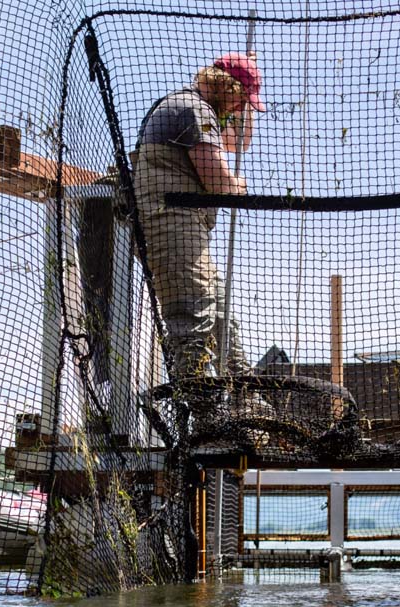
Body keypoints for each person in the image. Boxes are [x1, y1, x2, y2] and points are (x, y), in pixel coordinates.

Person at [131, 52, 268, 427]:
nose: (242, 109)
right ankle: (204, 420)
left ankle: (246, 402)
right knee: (192, 317)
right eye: (242, 98)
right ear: (227, 88)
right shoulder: (191, 110)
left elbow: (238, 144)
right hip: (173, 225)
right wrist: (236, 186)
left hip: (186, 228)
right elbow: (219, 181)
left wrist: (246, 99)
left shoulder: (193, 108)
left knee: (221, 318)